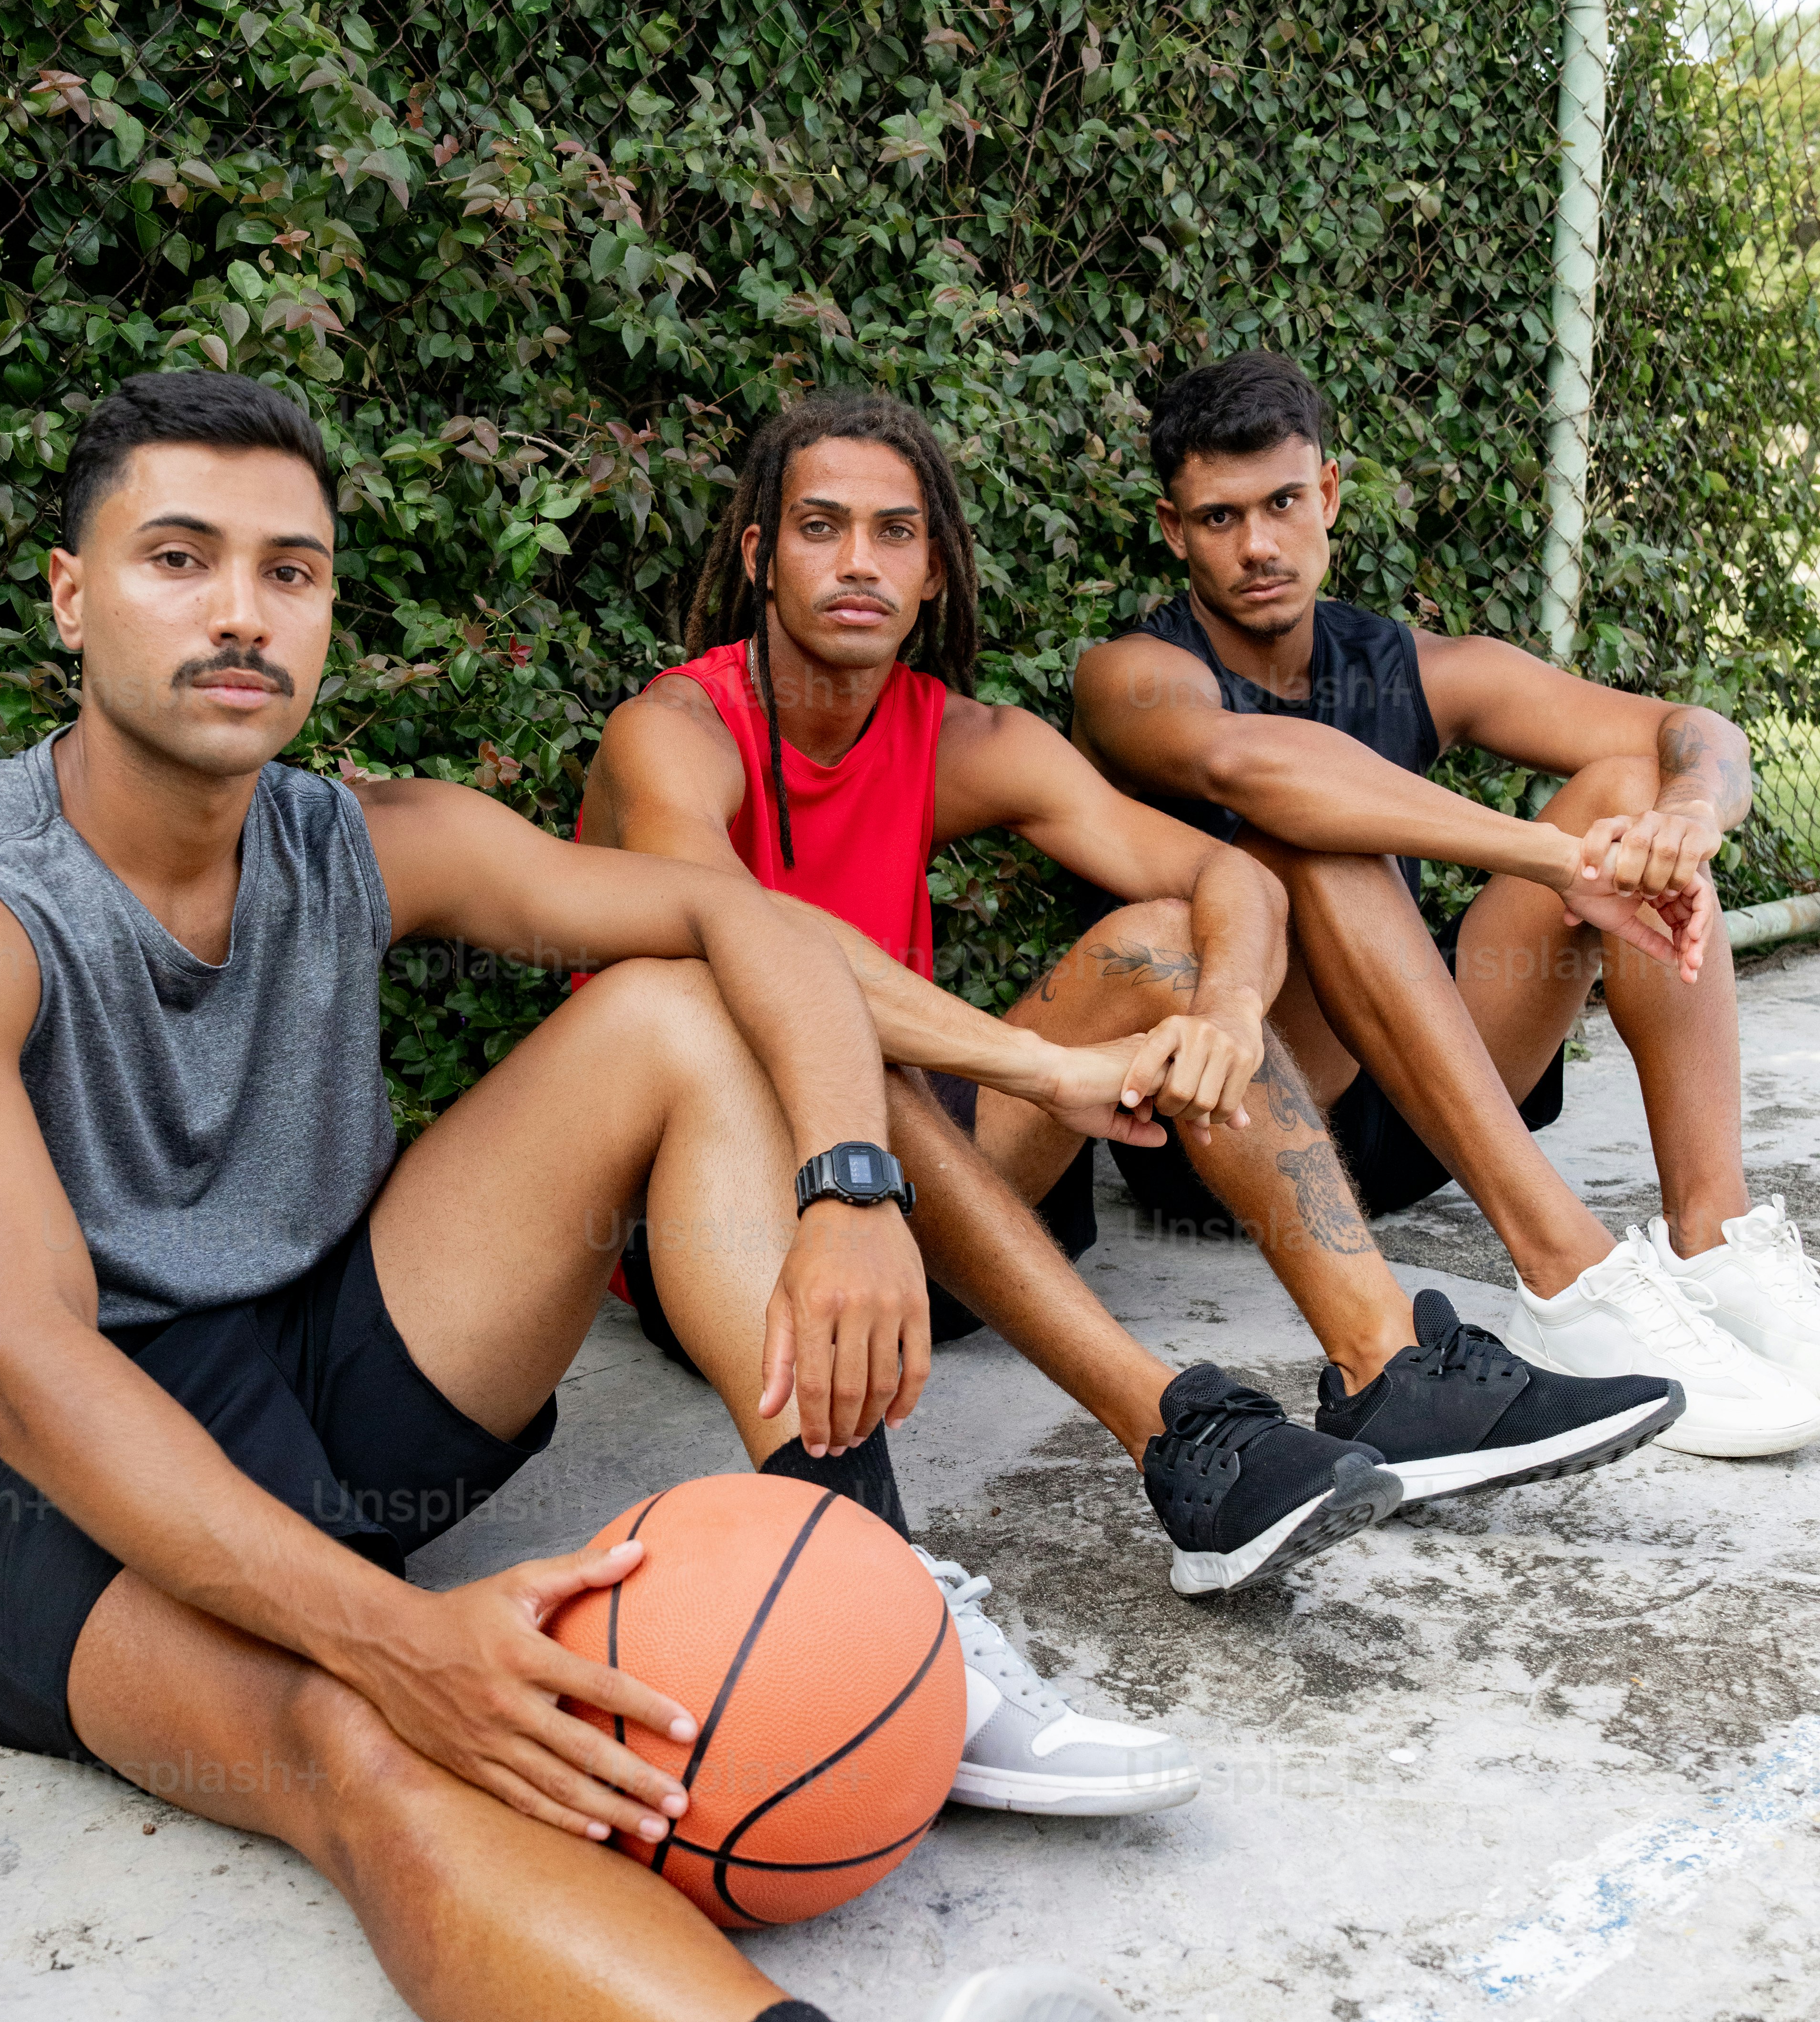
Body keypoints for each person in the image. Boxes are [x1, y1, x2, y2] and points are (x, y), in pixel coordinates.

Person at [0, 368, 1230, 2022]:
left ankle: (877, 1594)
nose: (240, 614)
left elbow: (737, 912)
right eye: (178, 560)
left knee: (659, 1006)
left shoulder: (362, 837)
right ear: (69, 598)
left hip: (305, 1378)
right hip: (24, 1495)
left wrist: (852, 1177)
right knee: (364, 1744)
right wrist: (401, 1640)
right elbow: (23, 1376)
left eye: (290, 570)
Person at [580, 389, 1678, 1650]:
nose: (857, 562)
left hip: (936, 1210)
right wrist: (1040, 1065)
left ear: (933, 568)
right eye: (819, 527)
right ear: (758, 554)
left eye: (893, 532)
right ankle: (1177, 1429)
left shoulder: (958, 738)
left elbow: (1235, 881)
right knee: (838, 1048)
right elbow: (760, 948)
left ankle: (1390, 1371)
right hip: (737, 1230)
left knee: (1162, 938)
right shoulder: (670, 735)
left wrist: (1218, 1006)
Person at [1070, 348, 1820, 1452]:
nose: (1261, 545)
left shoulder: (1412, 662)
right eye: (1221, 517)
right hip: (1237, 1124)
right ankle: (1569, 1283)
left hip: (1427, 1096)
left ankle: (1714, 1242)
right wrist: (1554, 860)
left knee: (1625, 787)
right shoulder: (1131, 675)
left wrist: (1686, 818)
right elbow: (1251, 768)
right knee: (1314, 832)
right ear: (1174, 529)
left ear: (1329, 493)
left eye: (1284, 503)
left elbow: (1695, 731)